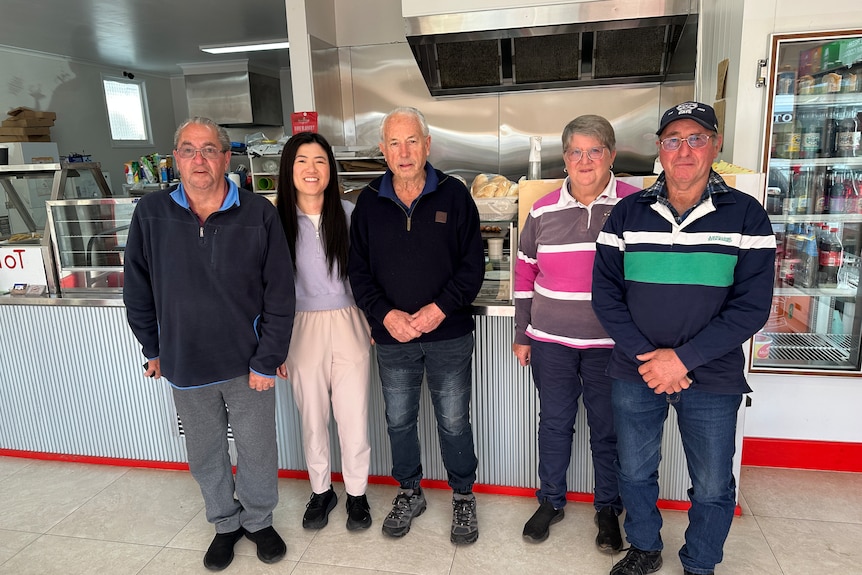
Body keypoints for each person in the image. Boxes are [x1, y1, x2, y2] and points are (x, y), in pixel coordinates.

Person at [592, 102, 776, 575]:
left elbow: (751, 307)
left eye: (696, 138)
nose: (685, 150)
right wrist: (649, 358)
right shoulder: (627, 213)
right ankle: (645, 548)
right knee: (633, 471)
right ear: (660, 150)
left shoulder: (747, 216)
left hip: (712, 375)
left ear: (715, 145)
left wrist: (682, 360)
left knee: (713, 483)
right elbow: (606, 296)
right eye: (673, 140)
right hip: (636, 371)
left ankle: (700, 562)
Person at [123, 117, 296, 571]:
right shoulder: (151, 214)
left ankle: (258, 522)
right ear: (175, 159)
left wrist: (268, 358)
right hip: (184, 363)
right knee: (204, 452)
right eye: (187, 149)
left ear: (225, 157)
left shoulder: (259, 213)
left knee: (258, 450)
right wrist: (152, 348)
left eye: (208, 149)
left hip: (247, 364)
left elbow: (280, 291)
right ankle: (224, 523)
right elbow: (137, 289)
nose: (198, 159)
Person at [348, 106, 485, 544]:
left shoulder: (454, 194)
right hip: (394, 337)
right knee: (400, 421)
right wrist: (385, 315)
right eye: (394, 142)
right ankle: (409, 491)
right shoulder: (369, 201)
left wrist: (439, 309)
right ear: (383, 150)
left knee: (453, 421)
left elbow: (472, 266)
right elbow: (358, 272)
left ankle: (463, 495)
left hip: (448, 334)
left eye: (412, 141)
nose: (403, 151)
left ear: (427, 145)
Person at [514, 115, 637, 549]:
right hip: (551, 341)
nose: (584, 161)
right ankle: (550, 500)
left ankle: (608, 509)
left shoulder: (635, 204)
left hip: (611, 345)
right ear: (564, 158)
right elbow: (524, 271)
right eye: (575, 152)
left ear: (611, 155)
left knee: (608, 429)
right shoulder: (543, 208)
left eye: (594, 150)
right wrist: (522, 332)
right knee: (555, 424)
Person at [274, 132, 373, 531]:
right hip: (299, 326)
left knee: (353, 416)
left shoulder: (350, 215)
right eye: (301, 161)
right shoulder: (273, 220)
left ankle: (357, 494)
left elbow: (368, 274)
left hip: (350, 319)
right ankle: (321, 490)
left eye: (319, 161)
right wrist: (275, 344)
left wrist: (369, 319)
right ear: (289, 169)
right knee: (312, 416)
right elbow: (266, 287)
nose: (311, 169)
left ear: (330, 169)